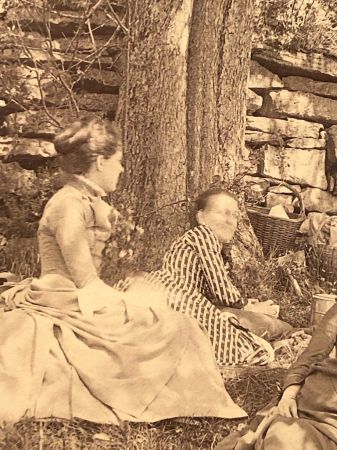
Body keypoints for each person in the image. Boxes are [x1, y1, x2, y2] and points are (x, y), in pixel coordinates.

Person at [0, 118, 251, 424]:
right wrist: (137, 302)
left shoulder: (86, 200)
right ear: (100, 162)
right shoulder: (68, 205)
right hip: (67, 299)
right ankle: (168, 399)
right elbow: (85, 281)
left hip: (81, 296)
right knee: (173, 326)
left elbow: (100, 272)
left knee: (173, 319)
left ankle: (181, 397)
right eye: (118, 162)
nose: (121, 170)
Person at [140, 188, 292, 366]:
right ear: (201, 217)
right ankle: (293, 335)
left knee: (259, 320)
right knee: (276, 325)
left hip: (187, 311)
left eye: (234, 215)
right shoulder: (202, 235)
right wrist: (249, 307)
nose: (230, 220)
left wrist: (247, 305)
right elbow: (222, 291)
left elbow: (214, 294)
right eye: (221, 212)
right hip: (184, 312)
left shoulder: (202, 243)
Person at [215, 303, 337, 450]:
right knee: (282, 435)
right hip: (310, 402)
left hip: (330, 422)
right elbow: (311, 356)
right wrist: (289, 395)